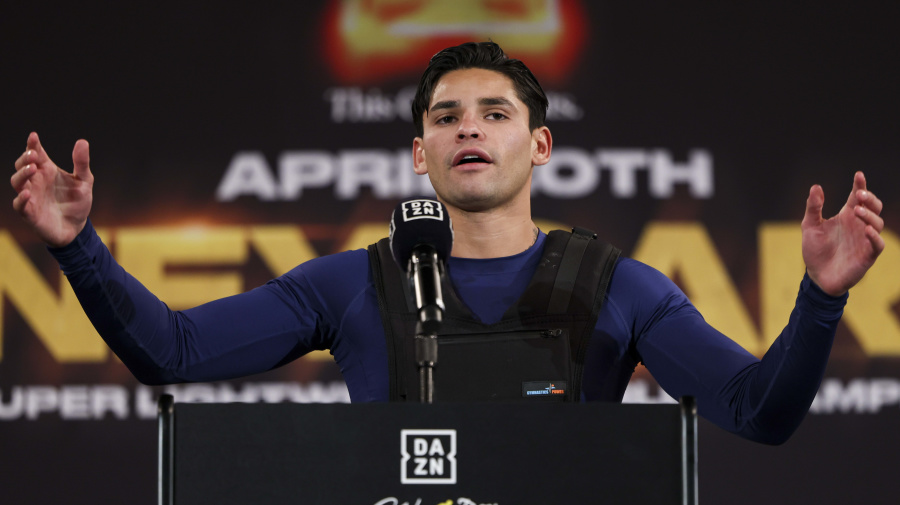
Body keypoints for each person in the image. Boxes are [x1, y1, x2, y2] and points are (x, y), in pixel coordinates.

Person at [10, 42, 884, 444]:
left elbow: (758, 412)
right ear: (418, 153)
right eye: (446, 117)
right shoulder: (351, 283)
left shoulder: (620, 286)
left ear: (539, 144)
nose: (471, 130)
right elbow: (174, 349)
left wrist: (822, 297)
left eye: (496, 114)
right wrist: (79, 246)